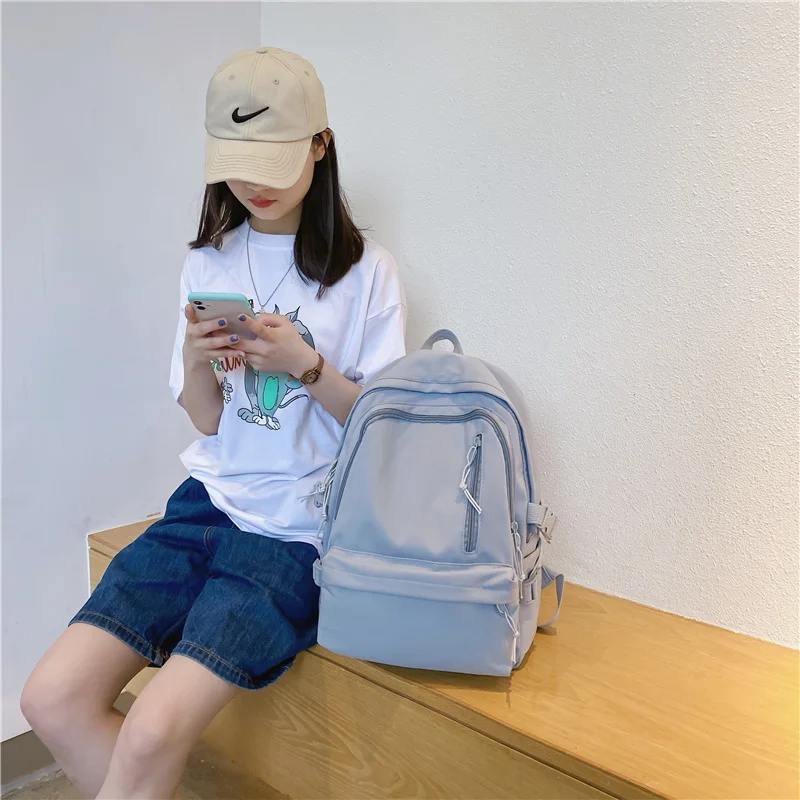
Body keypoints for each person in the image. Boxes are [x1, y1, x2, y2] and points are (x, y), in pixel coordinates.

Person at [21, 47, 406, 799]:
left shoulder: (369, 275)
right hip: (205, 508)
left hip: (296, 535)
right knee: (51, 698)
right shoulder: (209, 263)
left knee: (150, 733)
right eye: (237, 163)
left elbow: (383, 436)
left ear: (320, 145)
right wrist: (198, 358)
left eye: (273, 160)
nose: (254, 184)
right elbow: (206, 419)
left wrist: (306, 365)